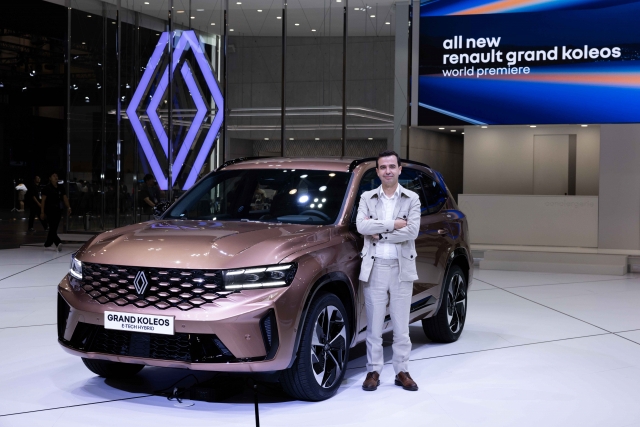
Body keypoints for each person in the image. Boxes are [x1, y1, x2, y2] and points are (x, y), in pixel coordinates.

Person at [356, 150, 421, 392]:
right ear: (377, 171)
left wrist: (381, 233)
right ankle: (373, 371)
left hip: (402, 268)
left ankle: (402, 371)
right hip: (375, 268)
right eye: (383, 167)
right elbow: (361, 225)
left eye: (392, 166)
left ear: (400, 169)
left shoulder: (411, 198)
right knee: (373, 325)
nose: (388, 171)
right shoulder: (367, 197)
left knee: (401, 325)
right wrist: (393, 225)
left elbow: (412, 231)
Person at [41, 172, 71, 251]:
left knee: (54, 228)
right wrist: (42, 212)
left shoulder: (61, 187)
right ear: (50, 178)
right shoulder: (46, 188)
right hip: (49, 210)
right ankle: (58, 242)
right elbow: (43, 201)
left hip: (58, 210)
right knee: (52, 227)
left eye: (57, 176)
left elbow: (65, 198)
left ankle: (48, 243)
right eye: (54, 176)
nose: (56, 177)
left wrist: (68, 207)